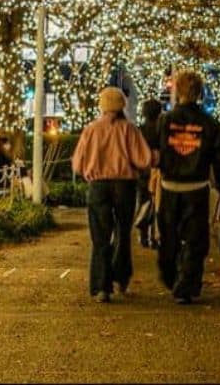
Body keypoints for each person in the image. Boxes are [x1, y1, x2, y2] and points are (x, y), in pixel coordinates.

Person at [156, 68, 220, 304]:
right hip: (196, 188)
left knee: (168, 235)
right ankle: (186, 284)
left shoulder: (165, 121)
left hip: (169, 187)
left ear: (176, 91)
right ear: (200, 93)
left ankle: (170, 275)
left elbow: (155, 151)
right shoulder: (209, 124)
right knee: (195, 239)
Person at [71, 86, 153, 302]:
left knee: (100, 237)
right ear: (122, 106)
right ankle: (121, 277)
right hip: (124, 186)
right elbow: (143, 160)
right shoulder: (130, 130)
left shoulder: (91, 130)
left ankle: (101, 287)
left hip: (98, 185)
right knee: (122, 233)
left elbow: (78, 164)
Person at [135, 95, 164, 248]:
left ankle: (143, 234)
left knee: (144, 202)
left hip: (143, 171)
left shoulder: (140, 130)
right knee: (158, 203)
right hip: (159, 172)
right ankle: (155, 236)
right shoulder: (162, 129)